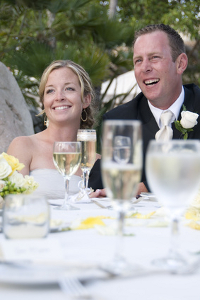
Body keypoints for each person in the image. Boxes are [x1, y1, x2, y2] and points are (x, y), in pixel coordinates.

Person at [89, 23, 200, 197]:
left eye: (154, 57)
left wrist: (144, 187)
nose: (145, 67)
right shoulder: (119, 120)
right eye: (138, 60)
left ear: (180, 64)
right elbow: (113, 185)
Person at [7, 60, 101, 199]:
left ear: (86, 99)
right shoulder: (23, 146)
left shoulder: (97, 162)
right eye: (50, 91)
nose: (59, 97)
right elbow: (11, 206)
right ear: (44, 102)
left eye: (69, 88)